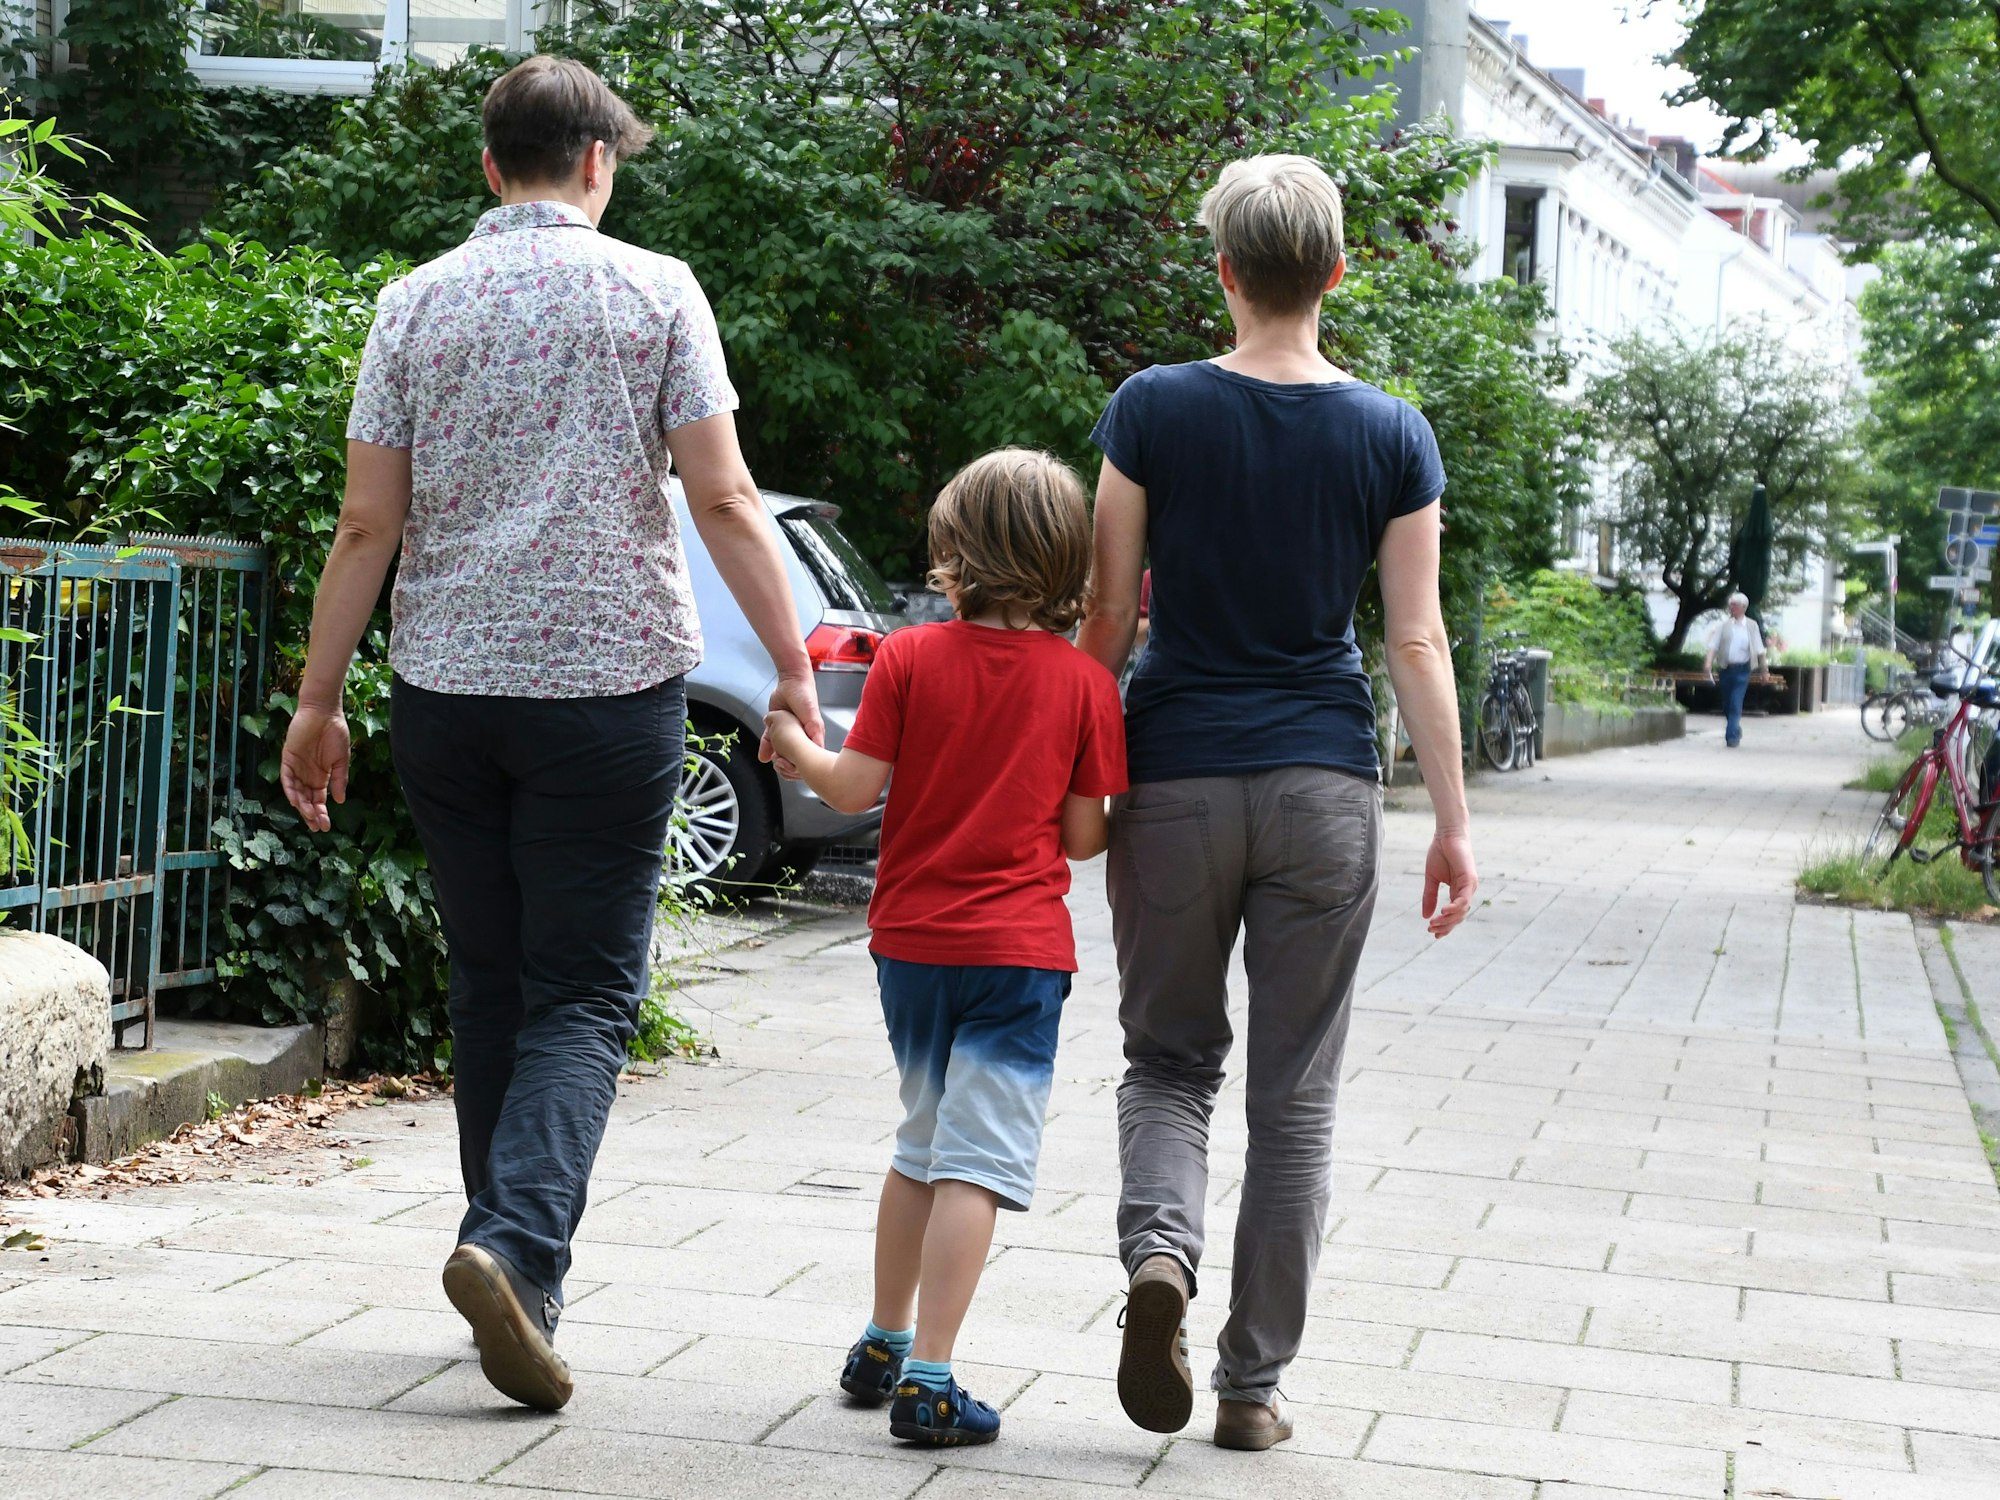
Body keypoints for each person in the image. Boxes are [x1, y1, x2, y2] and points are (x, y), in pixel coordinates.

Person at [278, 56, 822, 1412]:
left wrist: (318, 699)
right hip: (607, 692)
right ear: (596, 163)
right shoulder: (655, 290)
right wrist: (799, 672)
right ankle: (514, 1248)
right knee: (582, 991)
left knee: (492, 986)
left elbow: (366, 524)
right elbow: (728, 497)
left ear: (488, 168)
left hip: (450, 694)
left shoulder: (413, 306)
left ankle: (503, 1258)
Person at [1075, 154, 1477, 1452]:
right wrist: (1456, 822)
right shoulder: (1393, 433)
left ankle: (1160, 1260)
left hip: (1176, 774)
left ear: (1227, 272)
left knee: (1167, 1060)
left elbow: (1104, 609)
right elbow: (1416, 641)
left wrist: (1078, 768)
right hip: (1324, 784)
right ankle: (1251, 1389)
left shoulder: (1151, 409)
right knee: (1295, 1097)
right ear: (1339, 273)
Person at [764, 449, 1127, 1448]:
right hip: (1017, 955)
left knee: (919, 1143)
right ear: (1065, 564)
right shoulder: (1082, 686)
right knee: (975, 1163)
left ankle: (879, 1339)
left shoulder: (908, 660)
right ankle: (930, 1378)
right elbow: (1084, 839)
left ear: (951, 556)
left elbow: (847, 790)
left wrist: (790, 743)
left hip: (910, 946)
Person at [1703, 592, 1766, 748]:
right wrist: (1708, 663)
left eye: (1735, 605)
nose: (1731, 608)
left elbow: (1759, 649)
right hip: (1726, 669)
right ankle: (1735, 728)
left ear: (1743, 607)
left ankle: (1731, 737)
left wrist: (1765, 670)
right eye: (1730, 605)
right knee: (1726, 704)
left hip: (1743, 670)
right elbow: (1713, 646)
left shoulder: (1751, 626)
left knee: (1735, 702)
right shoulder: (1724, 626)